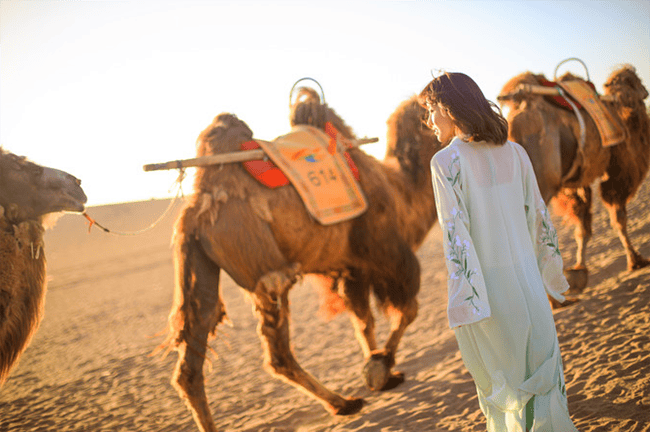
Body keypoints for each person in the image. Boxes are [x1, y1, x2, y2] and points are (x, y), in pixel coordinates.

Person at [420, 72, 578, 432]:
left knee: (507, 387)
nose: (430, 121)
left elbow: (455, 235)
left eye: (431, 110)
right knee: (540, 376)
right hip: (530, 286)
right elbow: (539, 217)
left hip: (489, 292)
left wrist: (467, 300)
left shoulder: (445, 163)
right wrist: (549, 274)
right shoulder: (516, 152)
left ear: (448, 107)